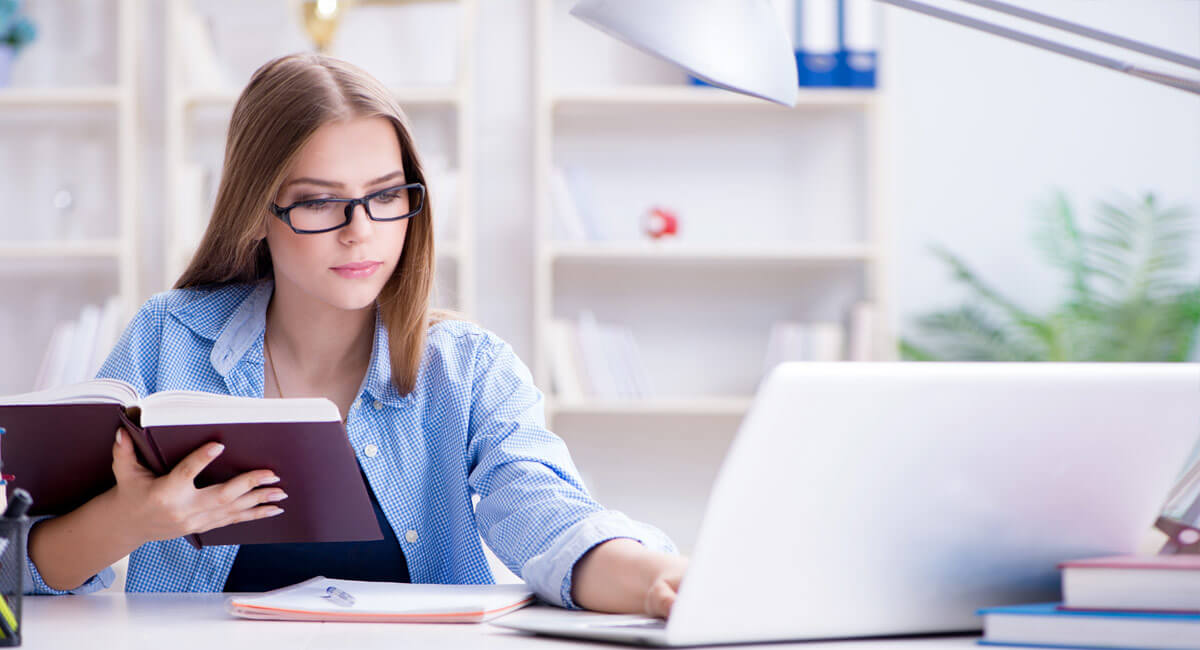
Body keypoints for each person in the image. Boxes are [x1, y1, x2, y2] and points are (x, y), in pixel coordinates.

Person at [25, 53, 687, 618]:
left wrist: (660, 580)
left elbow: (551, 517)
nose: (360, 230)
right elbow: (23, 564)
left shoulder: (468, 370)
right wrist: (134, 520)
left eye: (386, 195)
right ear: (258, 212)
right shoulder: (168, 340)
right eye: (318, 201)